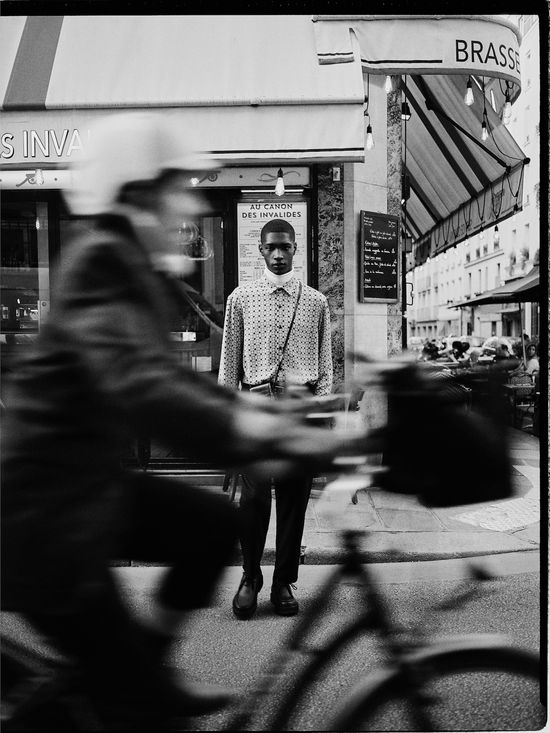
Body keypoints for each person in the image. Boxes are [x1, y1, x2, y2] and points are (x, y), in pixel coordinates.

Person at [1, 114, 350, 728]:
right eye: (173, 188)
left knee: (211, 521)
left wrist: (268, 422)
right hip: (44, 515)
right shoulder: (103, 263)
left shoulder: (131, 265)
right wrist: (251, 429)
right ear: (136, 193)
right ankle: (129, 692)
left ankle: (141, 673)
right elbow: (145, 387)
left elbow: (173, 381)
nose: (185, 202)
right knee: (122, 695)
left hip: (83, 485)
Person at [218, 219, 333, 620]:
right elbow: (229, 364)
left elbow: (325, 368)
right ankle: (250, 576)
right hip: (255, 410)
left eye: (286, 247)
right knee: (251, 501)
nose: (279, 254)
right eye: (272, 247)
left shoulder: (316, 301)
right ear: (261, 251)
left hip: (299, 412)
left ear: (296, 249)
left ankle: (284, 579)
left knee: (293, 499)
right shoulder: (241, 298)